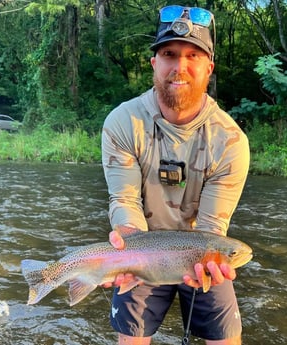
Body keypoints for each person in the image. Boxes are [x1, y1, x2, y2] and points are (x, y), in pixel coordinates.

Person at [101, 5, 250, 345]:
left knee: (227, 338)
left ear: (208, 68)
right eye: (169, 53)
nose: (179, 66)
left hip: (201, 249)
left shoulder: (230, 141)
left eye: (192, 55)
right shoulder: (123, 123)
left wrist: (208, 265)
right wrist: (127, 246)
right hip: (142, 245)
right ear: (154, 63)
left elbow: (214, 229)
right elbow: (123, 199)